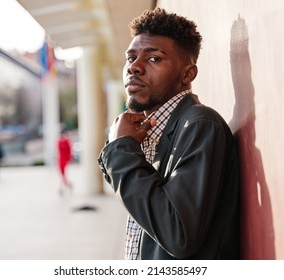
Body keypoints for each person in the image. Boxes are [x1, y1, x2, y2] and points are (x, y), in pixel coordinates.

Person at [97, 8, 239, 260]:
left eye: (153, 58)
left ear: (187, 74)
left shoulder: (200, 125)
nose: (134, 68)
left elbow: (177, 234)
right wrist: (121, 147)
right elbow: (143, 205)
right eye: (131, 58)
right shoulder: (156, 129)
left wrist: (120, 149)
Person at [57, 129, 73, 194]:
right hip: (60, 159)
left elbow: (69, 151)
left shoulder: (67, 141)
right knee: (62, 174)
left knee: (63, 174)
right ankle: (68, 185)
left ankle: (62, 188)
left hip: (65, 159)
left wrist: (69, 159)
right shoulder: (59, 141)